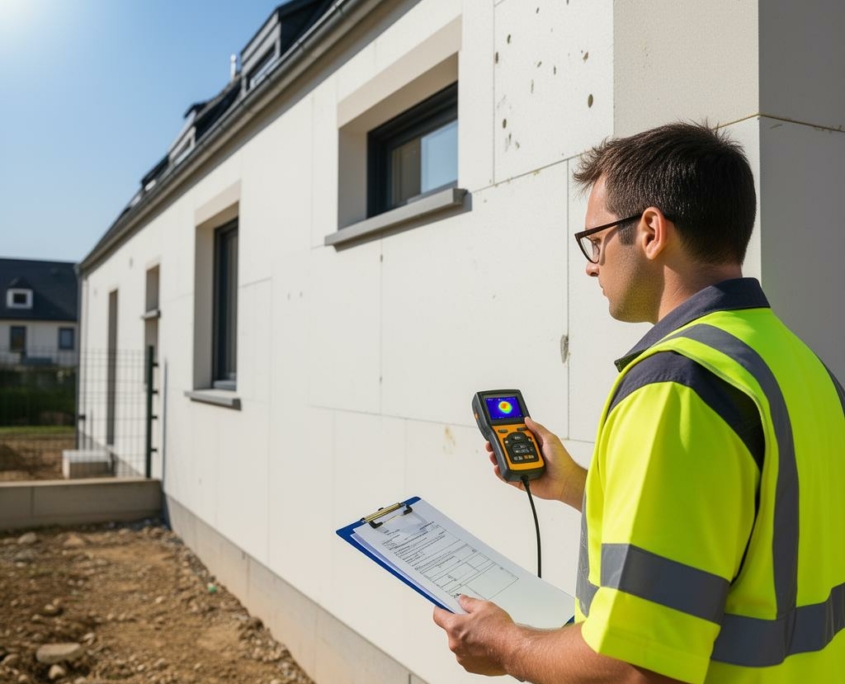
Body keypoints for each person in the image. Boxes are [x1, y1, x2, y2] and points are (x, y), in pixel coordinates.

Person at [433, 123, 845, 683]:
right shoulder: (802, 366)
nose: (591, 264)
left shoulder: (677, 385)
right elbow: (745, 538)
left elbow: (635, 668)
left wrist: (505, 644)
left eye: (596, 241)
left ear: (651, 231)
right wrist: (578, 486)